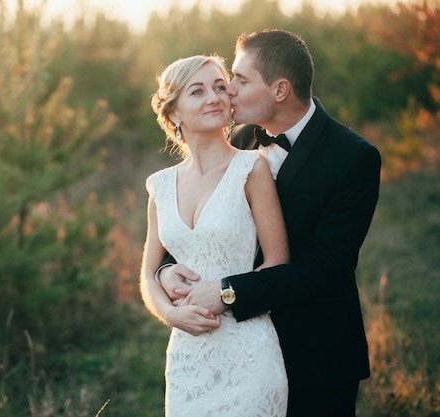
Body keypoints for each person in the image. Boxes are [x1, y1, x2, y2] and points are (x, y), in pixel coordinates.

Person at [155, 30, 381, 417]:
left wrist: (229, 293)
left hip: (315, 351)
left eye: (239, 82)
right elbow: (195, 235)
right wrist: (165, 273)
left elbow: (327, 268)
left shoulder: (353, 158)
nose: (228, 93)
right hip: (228, 347)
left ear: (280, 90)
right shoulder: (237, 140)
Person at [140, 54, 289, 417]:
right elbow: (148, 274)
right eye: (198, 91)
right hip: (187, 360)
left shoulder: (252, 168)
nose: (215, 97)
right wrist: (170, 316)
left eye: (220, 87)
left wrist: (227, 293)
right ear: (174, 112)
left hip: (248, 352)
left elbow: (277, 263)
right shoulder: (160, 186)